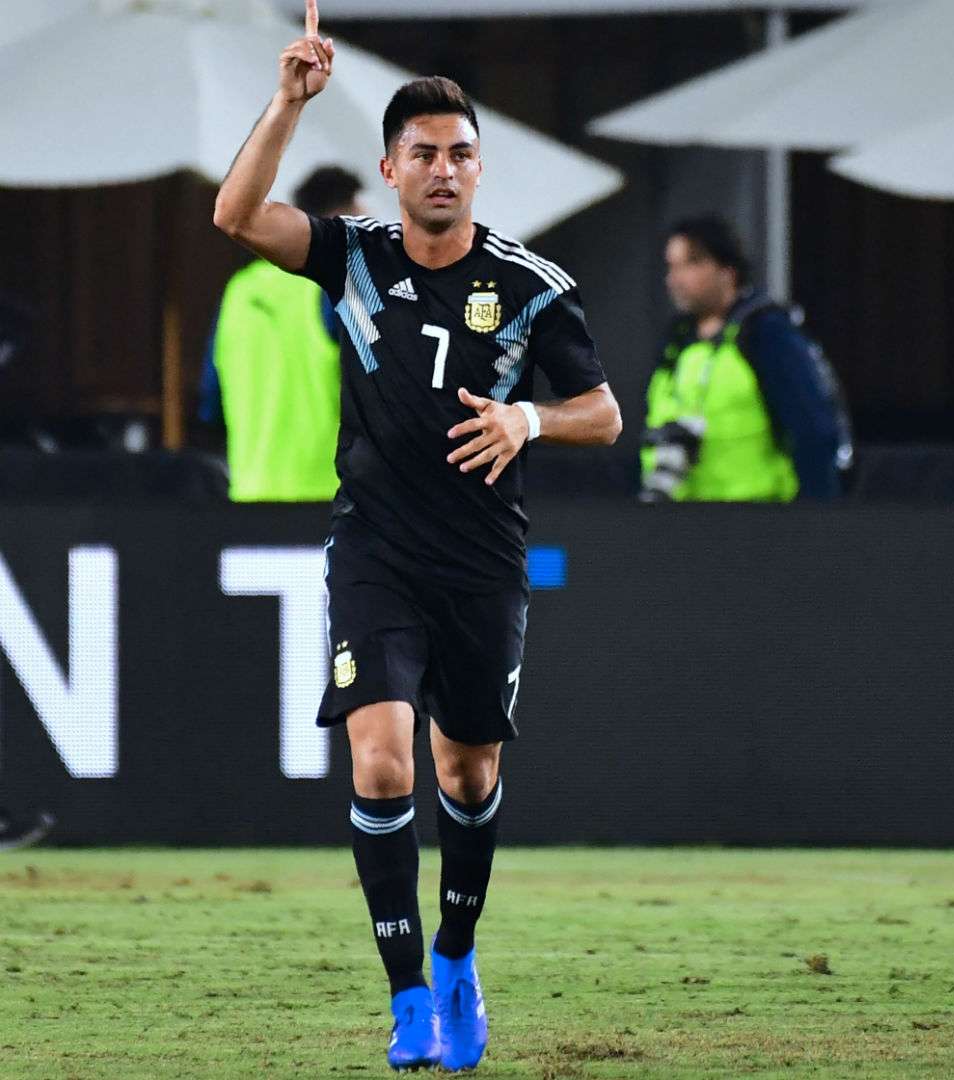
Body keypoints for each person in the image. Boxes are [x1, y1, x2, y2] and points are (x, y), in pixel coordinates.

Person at [211, 2, 622, 1070]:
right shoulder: (351, 255)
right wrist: (290, 104)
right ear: (390, 169)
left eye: (463, 155)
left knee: (469, 772)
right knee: (382, 755)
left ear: (480, 170)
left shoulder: (533, 289)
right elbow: (236, 215)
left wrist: (529, 416)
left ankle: (453, 957)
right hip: (377, 550)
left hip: (484, 561)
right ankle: (406, 1001)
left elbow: (606, 413)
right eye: (425, 155)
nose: (446, 170)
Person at [643, 216, 844, 502]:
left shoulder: (766, 333)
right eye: (671, 266)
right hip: (679, 516)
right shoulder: (676, 343)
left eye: (691, 264)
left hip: (757, 520)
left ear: (727, 271)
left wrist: (816, 522)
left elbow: (813, 430)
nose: (675, 278)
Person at [202, 164, 364, 501]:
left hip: (250, 500)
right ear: (338, 221)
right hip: (328, 504)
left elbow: (210, 402)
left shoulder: (239, 291)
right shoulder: (333, 289)